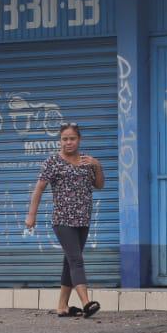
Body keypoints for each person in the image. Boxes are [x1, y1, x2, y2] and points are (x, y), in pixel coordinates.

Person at [26, 123, 105, 317]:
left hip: (83, 219)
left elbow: (99, 185)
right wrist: (31, 215)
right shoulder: (53, 162)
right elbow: (39, 189)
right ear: (60, 141)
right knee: (76, 260)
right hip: (63, 219)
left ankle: (62, 306)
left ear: (79, 140)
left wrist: (97, 165)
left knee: (69, 262)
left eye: (72, 138)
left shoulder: (87, 161)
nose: (68, 142)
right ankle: (87, 303)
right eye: (65, 139)